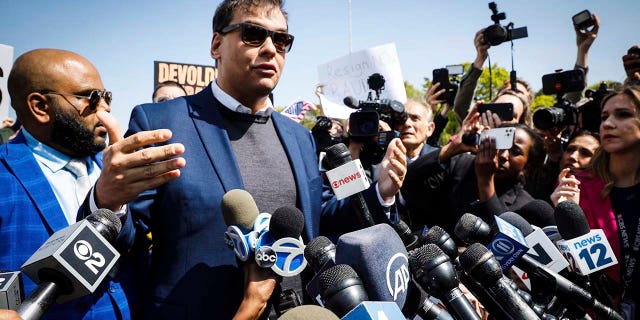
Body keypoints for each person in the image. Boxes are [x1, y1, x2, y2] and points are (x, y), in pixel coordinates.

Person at [115, 1, 406, 319]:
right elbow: (126, 238)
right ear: (216, 45)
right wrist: (109, 200)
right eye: (254, 34)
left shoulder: (299, 137)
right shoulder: (162, 122)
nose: (270, 49)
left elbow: (322, 217)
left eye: (281, 40)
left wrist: (382, 191)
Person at [0, 49, 184, 319]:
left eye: (107, 97)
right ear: (40, 107)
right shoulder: (5, 176)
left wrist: (113, 205)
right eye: (91, 98)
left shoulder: (116, 169)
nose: (105, 108)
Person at [402, 105, 549, 234]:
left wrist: (485, 182)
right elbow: (407, 180)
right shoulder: (461, 165)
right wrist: (452, 149)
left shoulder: (525, 205)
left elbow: (503, 242)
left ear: (528, 164)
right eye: (501, 144)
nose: (503, 155)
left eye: (515, 152)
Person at [569, 85, 640, 318]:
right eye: (604, 117)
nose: (608, 124)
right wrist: (562, 214)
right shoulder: (578, 187)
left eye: (623, 115)